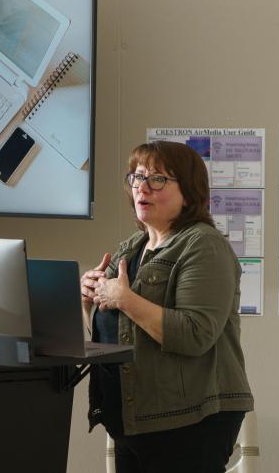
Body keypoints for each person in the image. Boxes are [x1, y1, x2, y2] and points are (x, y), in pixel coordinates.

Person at [80, 141, 253, 472]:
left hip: (189, 423)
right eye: (137, 176)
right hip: (132, 419)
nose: (141, 187)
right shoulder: (133, 247)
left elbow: (195, 334)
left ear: (188, 193)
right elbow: (115, 333)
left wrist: (124, 299)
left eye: (157, 178)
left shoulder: (203, 244)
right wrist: (88, 302)